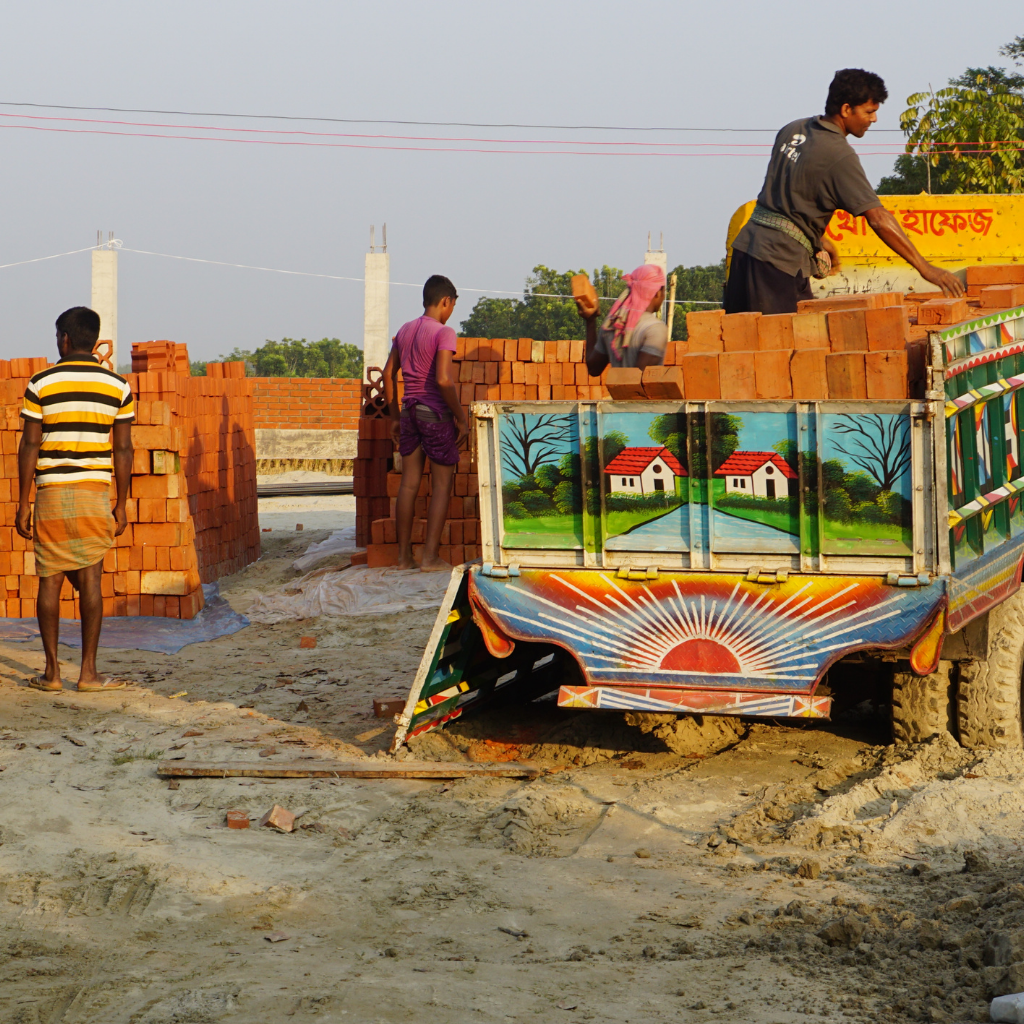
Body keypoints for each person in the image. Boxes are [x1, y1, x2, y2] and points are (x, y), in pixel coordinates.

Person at [725, 68, 964, 315]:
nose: (874, 120)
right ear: (846, 109)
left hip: (746, 251)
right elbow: (879, 219)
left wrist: (816, 239)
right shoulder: (840, 155)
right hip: (778, 264)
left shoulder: (792, 129)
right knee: (786, 344)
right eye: (869, 112)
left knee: (741, 343)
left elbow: (785, 197)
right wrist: (926, 268)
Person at [17, 307, 134, 692]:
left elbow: (30, 443)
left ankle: (52, 674)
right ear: (92, 338)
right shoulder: (118, 386)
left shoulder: (40, 383)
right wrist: (122, 502)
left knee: (49, 580)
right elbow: (123, 449)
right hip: (94, 493)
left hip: (51, 492)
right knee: (91, 578)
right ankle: (88, 673)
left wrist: (23, 502)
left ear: (64, 339)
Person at [384, 274, 469, 572]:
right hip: (434, 415)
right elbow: (443, 380)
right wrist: (461, 418)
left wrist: (394, 418)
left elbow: (387, 375)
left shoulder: (404, 331)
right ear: (446, 301)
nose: (451, 312)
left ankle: (404, 558)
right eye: (452, 306)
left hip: (408, 413)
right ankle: (430, 558)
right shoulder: (444, 333)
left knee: (408, 486)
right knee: (442, 485)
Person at [576, 264, 667, 376]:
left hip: (618, 393)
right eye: (664, 292)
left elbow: (593, 369)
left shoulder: (612, 324)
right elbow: (640, 379)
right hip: (645, 394)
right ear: (658, 293)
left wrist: (590, 321)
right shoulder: (655, 328)